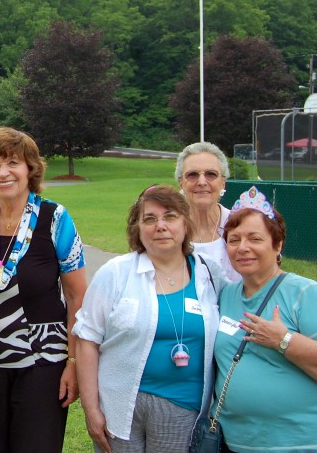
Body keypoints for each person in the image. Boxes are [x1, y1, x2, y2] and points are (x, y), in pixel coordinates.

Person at [74, 184, 227, 453]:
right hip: (119, 406)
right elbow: (87, 339)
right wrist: (90, 407)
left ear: (185, 222)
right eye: (150, 218)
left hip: (183, 409)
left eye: (170, 216)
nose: (160, 226)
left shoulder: (210, 274)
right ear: (138, 228)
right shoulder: (115, 273)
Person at [0, 127, 88, 453]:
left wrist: (73, 362)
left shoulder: (55, 218)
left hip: (42, 366)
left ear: (30, 169)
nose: (3, 173)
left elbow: (77, 297)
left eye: (12, 163)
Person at [212, 186, 317, 452]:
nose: (242, 248)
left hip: (297, 443)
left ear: (277, 244)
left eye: (255, 239)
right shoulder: (226, 295)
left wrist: (283, 340)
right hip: (233, 442)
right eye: (234, 240)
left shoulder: (305, 293)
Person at [175, 141, 239, 282]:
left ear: (223, 182)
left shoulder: (240, 224)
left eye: (211, 174)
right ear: (181, 182)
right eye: (192, 175)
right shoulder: (170, 228)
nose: (202, 182)